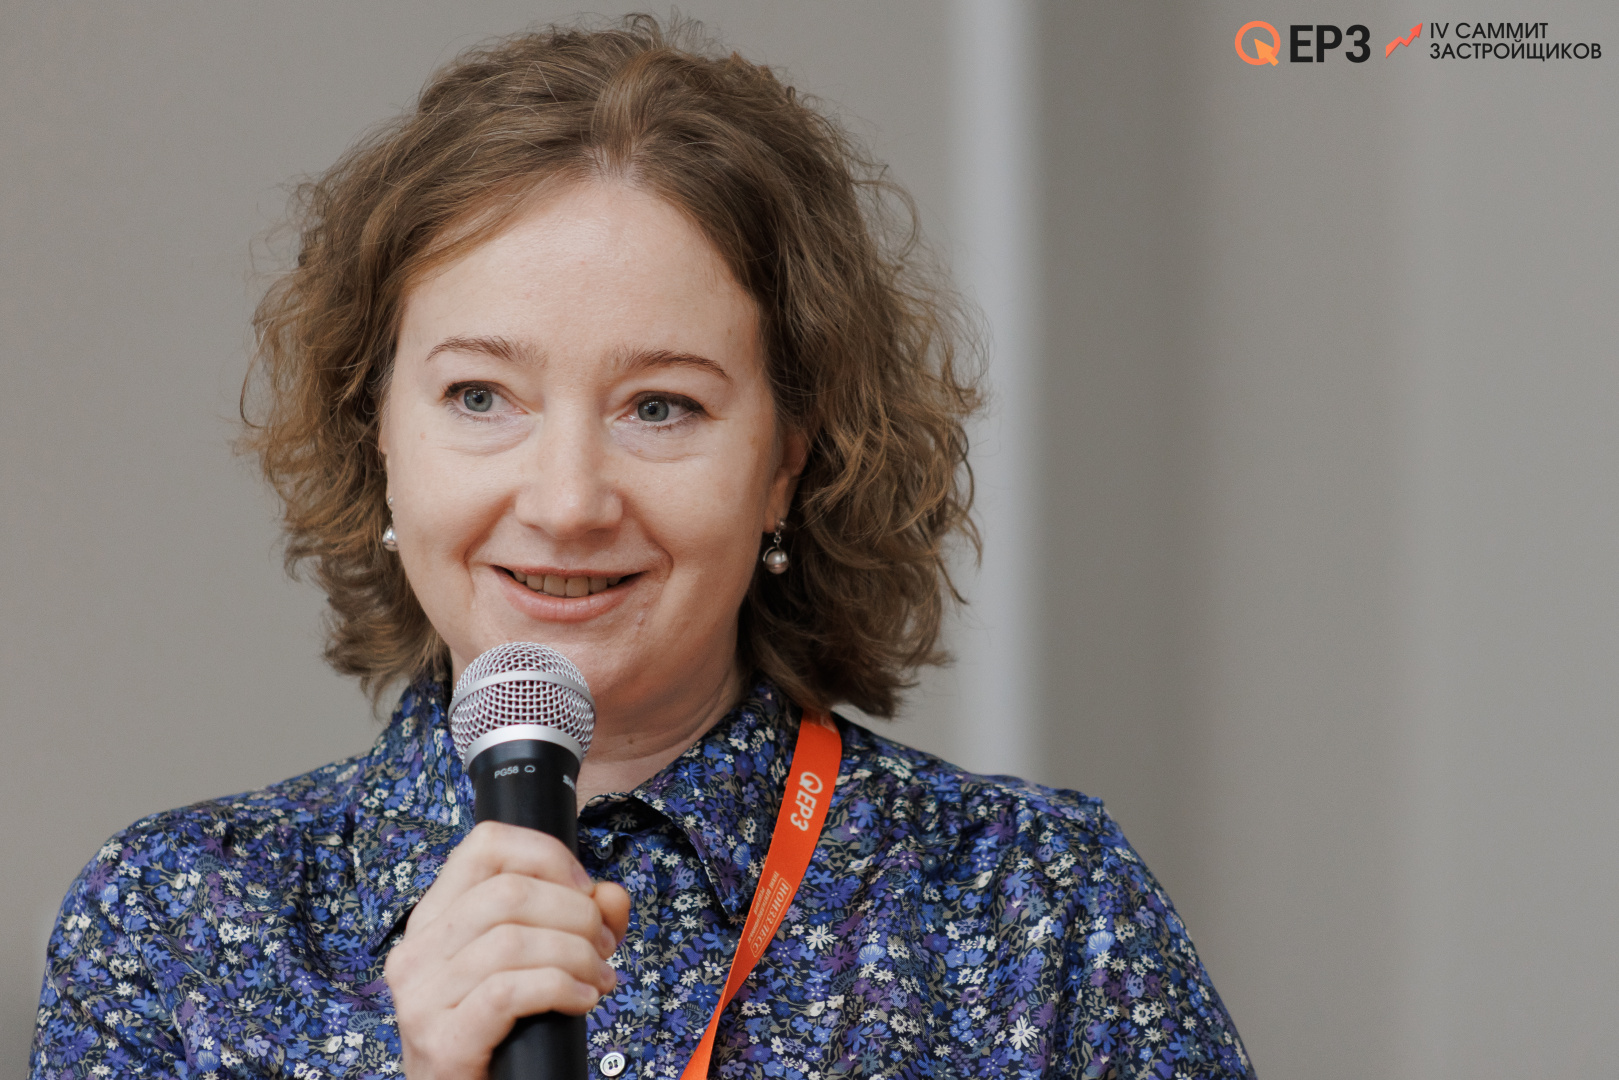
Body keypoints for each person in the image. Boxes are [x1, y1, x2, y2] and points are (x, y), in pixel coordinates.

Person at [30, 16, 1252, 1080]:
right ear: (377, 433)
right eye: (479, 397)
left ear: (785, 461)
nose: (567, 502)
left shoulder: (1041, 907)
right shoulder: (174, 921)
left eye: (659, 407)